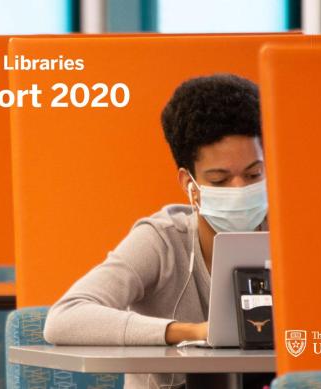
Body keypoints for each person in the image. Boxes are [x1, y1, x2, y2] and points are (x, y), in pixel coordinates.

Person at [44, 73, 271, 389]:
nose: (239, 188)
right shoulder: (162, 240)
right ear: (187, 183)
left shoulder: (293, 236)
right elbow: (64, 319)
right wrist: (191, 331)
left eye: (253, 174)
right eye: (219, 180)